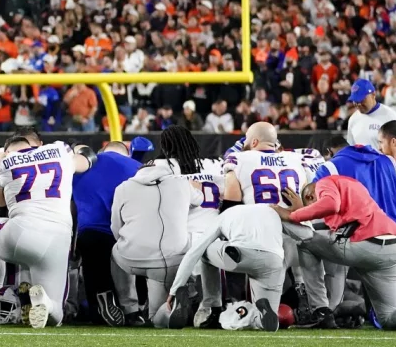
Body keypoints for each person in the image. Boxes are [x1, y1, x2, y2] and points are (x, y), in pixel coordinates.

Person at [274, 173, 396, 331]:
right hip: (392, 248)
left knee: (305, 243)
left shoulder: (324, 183)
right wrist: (303, 212)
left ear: (309, 196)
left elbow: (330, 204)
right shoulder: (353, 186)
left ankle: (320, 310)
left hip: (365, 243)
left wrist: (294, 215)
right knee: (388, 317)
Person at [0, 133, 86, 328]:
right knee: (57, 316)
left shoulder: (6, 161)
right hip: (59, 238)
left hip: (22, 233)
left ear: (8, 150)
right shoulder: (60, 150)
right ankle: (45, 302)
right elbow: (85, 161)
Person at [112, 126, 216, 328]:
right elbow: (202, 198)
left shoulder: (124, 187)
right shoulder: (183, 183)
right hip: (172, 260)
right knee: (159, 315)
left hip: (131, 258)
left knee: (114, 251)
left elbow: (116, 228)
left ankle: (130, 308)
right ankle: (183, 298)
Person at [167, 201, 286, 331]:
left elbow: (193, 253)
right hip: (273, 262)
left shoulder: (224, 216)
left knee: (204, 250)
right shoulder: (273, 210)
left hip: (240, 255)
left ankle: (212, 305)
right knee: (265, 323)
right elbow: (305, 235)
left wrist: (175, 289)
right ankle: (262, 319)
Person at [69, 138, 139, 324]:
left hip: (92, 230)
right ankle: (134, 310)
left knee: (94, 269)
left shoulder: (82, 165)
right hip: (128, 232)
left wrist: (72, 241)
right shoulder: (138, 167)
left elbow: (71, 206)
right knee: (134, 273)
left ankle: (99, 305)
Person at [343, 78, 396, 148]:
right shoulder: (353, 119)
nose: (358, 104)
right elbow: (351, 147)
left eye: (362, 99)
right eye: (355, 100)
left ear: (373, 95)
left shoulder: (391, 116)